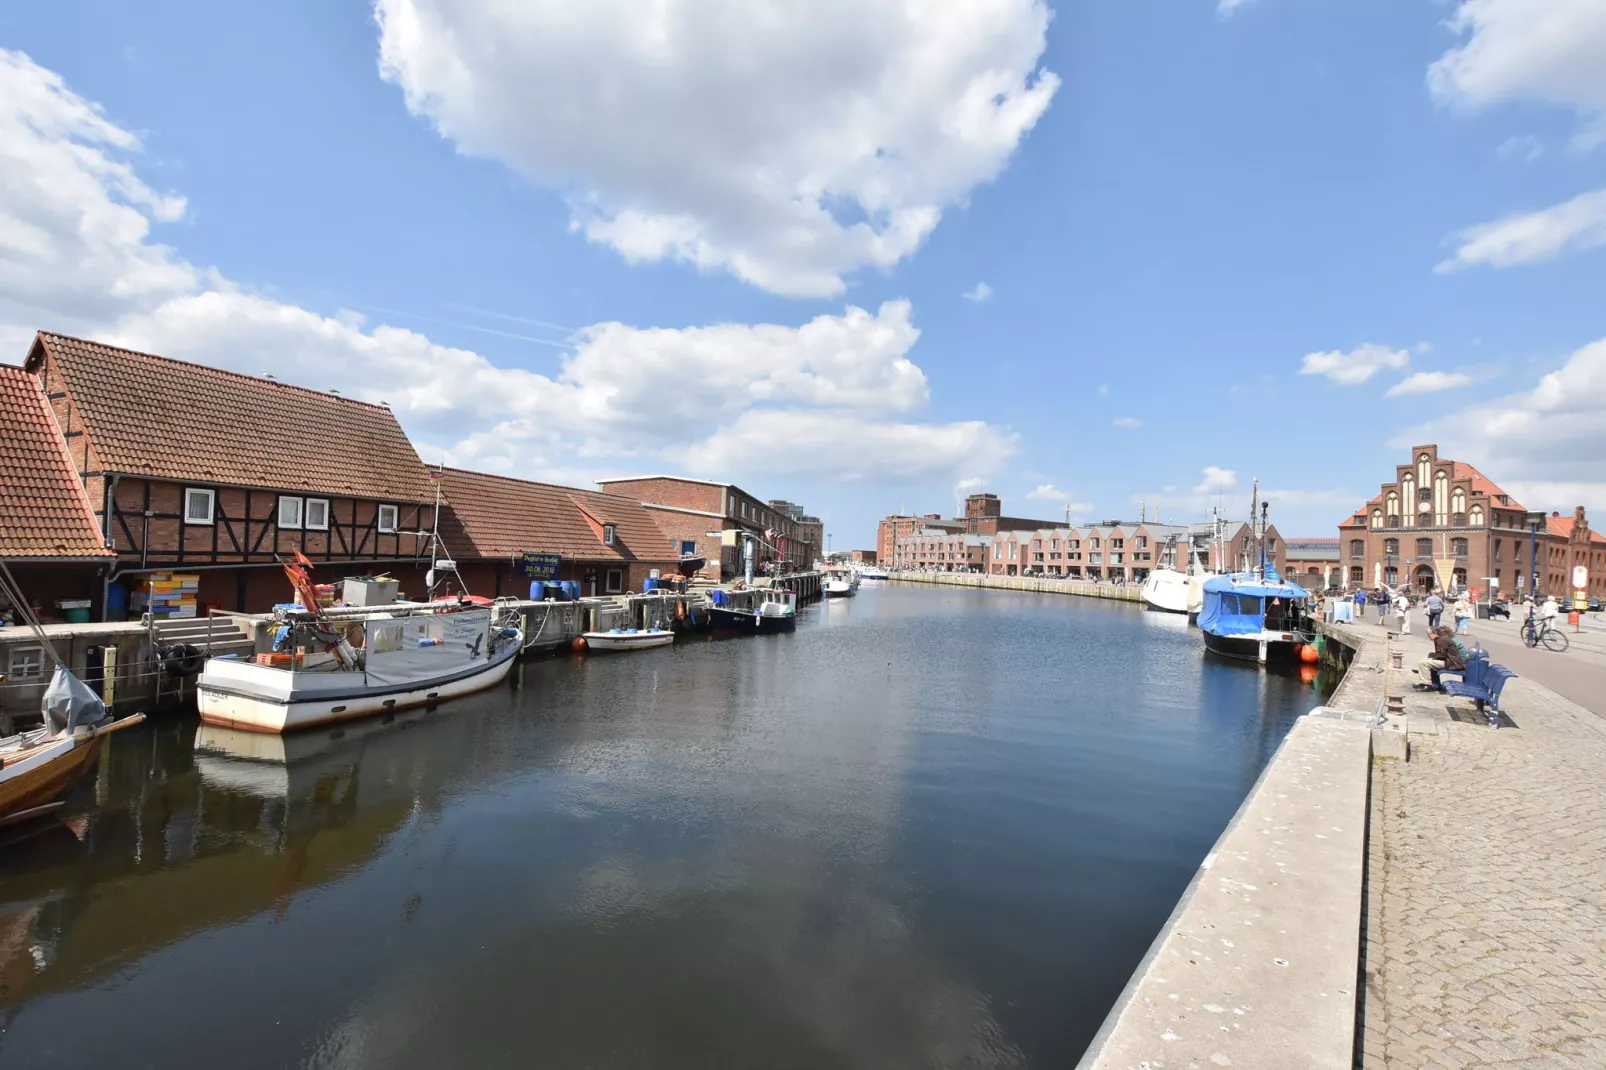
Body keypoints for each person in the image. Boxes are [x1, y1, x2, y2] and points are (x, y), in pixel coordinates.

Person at [1416, 625, 1465, 692]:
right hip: (1450, 661)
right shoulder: (1440, 638)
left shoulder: (1442, 639)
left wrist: (1433, 658)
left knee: (1423, 663)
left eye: (1429, 634)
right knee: (1425, 661)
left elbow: (1442, 655)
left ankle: (1427, 684)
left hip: (1452, 663)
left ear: (1435, 633)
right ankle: (1424, 682)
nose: (1428, 636)